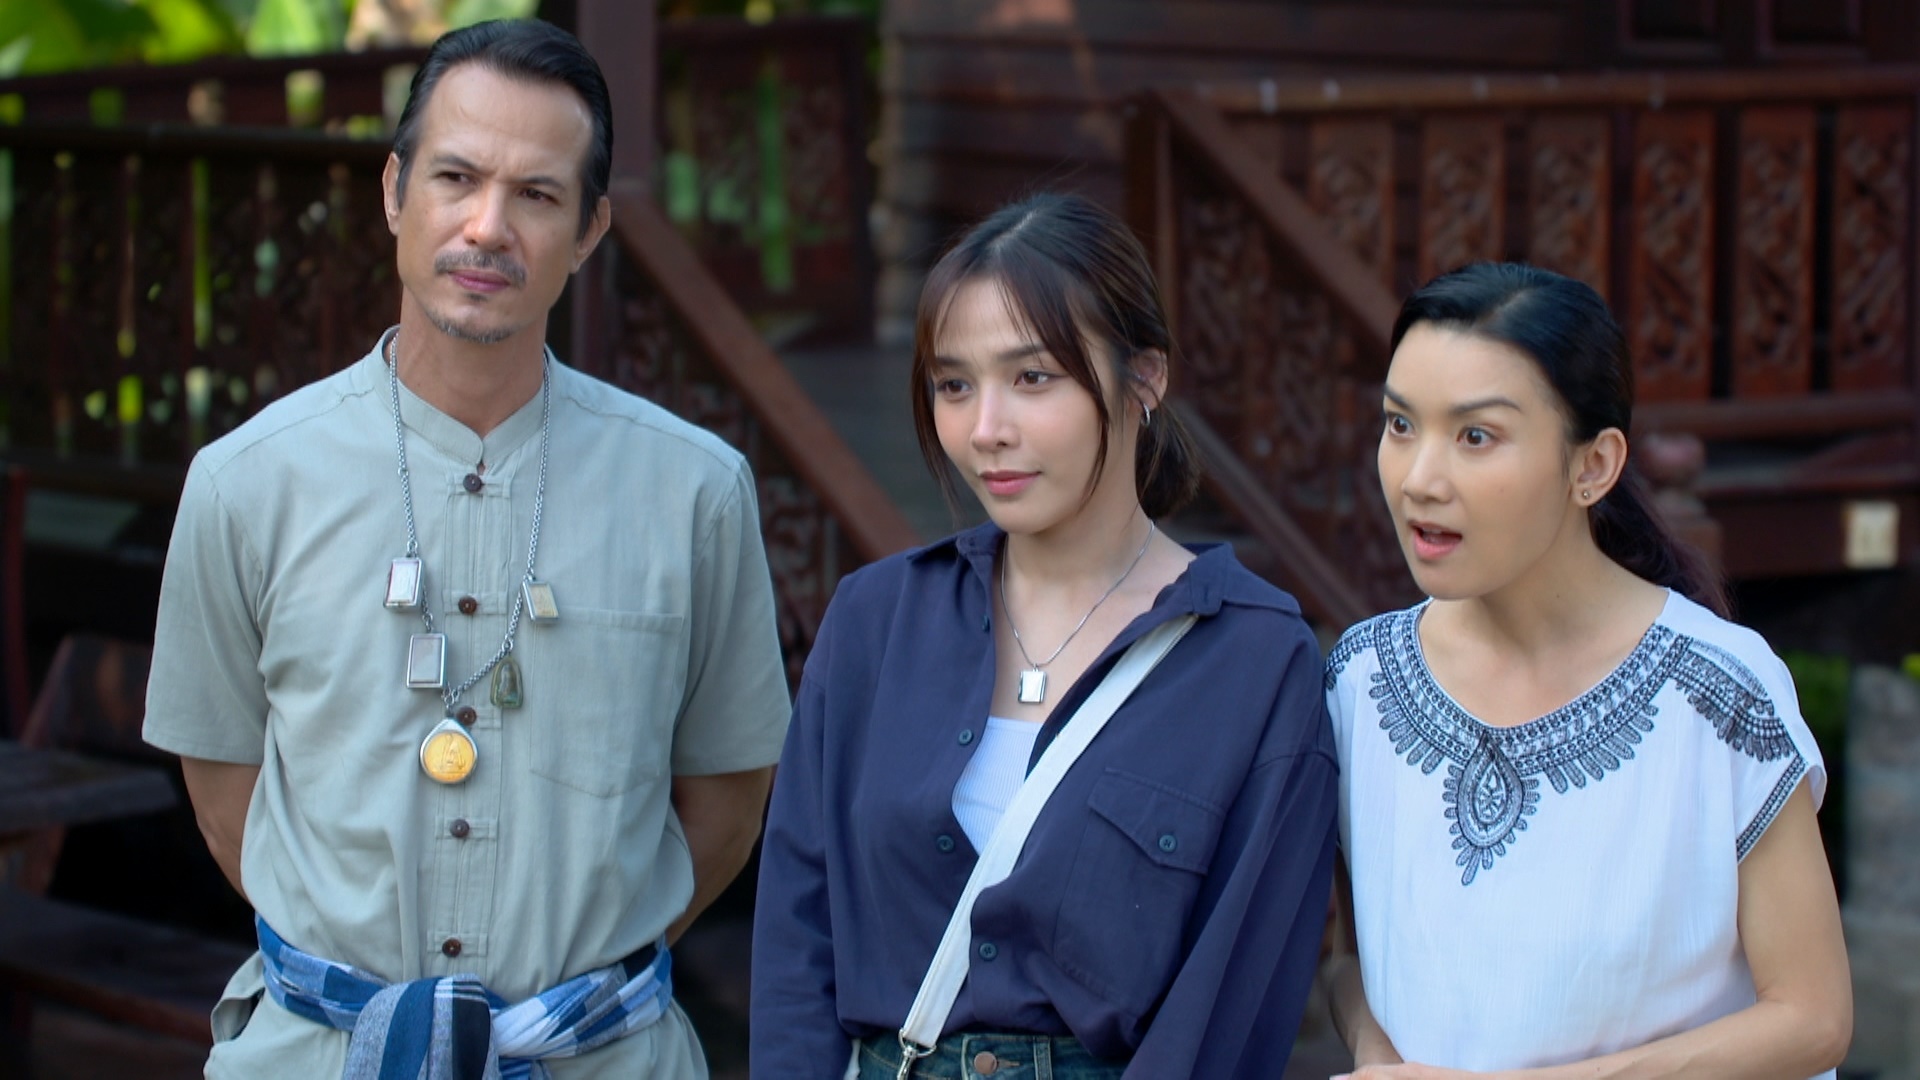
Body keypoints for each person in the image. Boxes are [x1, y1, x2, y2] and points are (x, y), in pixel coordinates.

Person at [142, 20, 791, 1078]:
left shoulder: (694, 492)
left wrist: (567, 988)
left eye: (537, 195)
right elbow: (224, 792)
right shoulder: (245, 482)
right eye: (455, 178)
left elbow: (727, 800)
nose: (488, 227)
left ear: (588, 230)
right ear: (395, 192)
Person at [750, 192, 1338, 1079]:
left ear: (1145, 379)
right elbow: (796, 940)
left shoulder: (1256, 660)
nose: (986, 430)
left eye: (1032, 378)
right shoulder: (875, 620)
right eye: (955, 385)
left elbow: (1230, 1004)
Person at [1322, 262, 1853, 1078]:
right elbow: (1351, 960)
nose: (1420, 479)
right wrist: (1378, 1057)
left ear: (1594, 466)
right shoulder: (1359, 683)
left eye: (1475, 436)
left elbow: (1813, 1018)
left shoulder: (1719, 694)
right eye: (1400, 425)